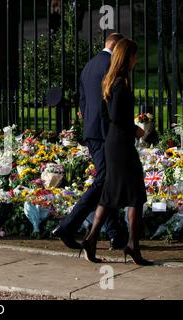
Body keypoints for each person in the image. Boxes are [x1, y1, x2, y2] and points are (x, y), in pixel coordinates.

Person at [79, 38, 152, 266]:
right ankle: (133, 245)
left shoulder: (111, 81)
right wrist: (137, 131)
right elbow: (117, 117)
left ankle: (91, 240)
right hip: (121, 144)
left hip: (114, 143)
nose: (136, 60)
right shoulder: (120, 83)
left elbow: (109, 115)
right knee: (135, 195)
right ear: (126, 57)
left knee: (111, 194)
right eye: (134, 55)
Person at [52, 33, 127, 250]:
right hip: (106, 132)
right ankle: (68, 225)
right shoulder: (112, 65)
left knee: (107, 180)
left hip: (92, 131)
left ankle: (116, 233)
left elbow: (83, 102)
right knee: (104, 180)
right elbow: (113, 102)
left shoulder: (89, 66)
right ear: (117, 46)